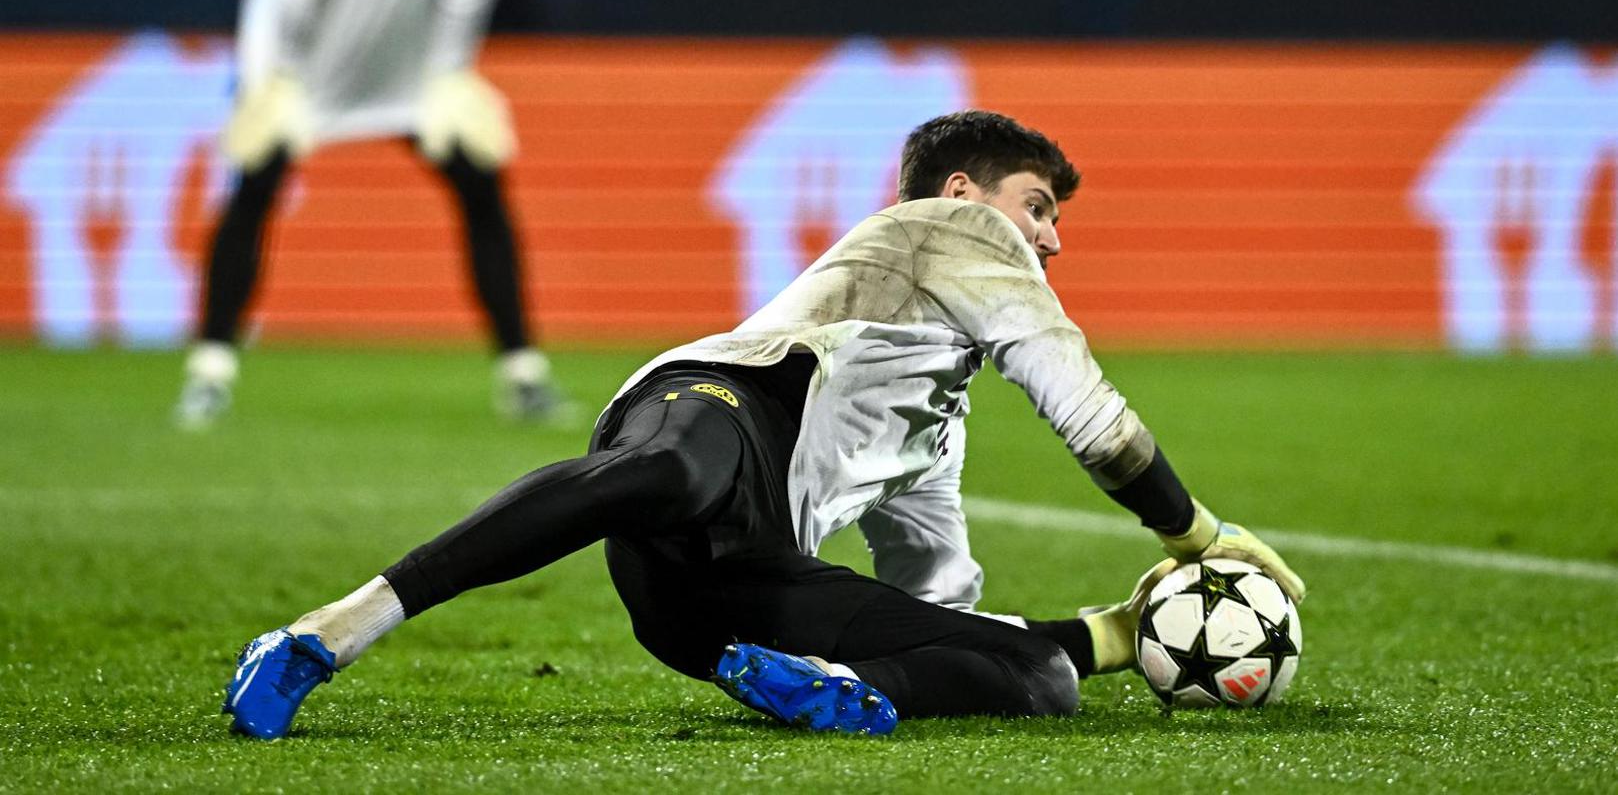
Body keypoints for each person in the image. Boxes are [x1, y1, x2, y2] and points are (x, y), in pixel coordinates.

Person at [221, 110, 1305, 738]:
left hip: (709, 603)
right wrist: (1201, 538)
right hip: (719, 407)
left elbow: (928, 603)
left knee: (1037, 680)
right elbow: (1094, 422)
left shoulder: (934, 421)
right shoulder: (952, 230)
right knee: (665, 477)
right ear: (964, 193)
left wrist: (1107, 632)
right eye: (1039, 206)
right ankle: (329, 632)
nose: (1051, 240)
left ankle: (844, 694)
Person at [175, 0, 567, 430]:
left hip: (412, 62)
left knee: (481, 185)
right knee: (255, 184)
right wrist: (275, 80)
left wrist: (448, 76)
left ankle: (523, 375)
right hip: (313, 55)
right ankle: (209, 372)